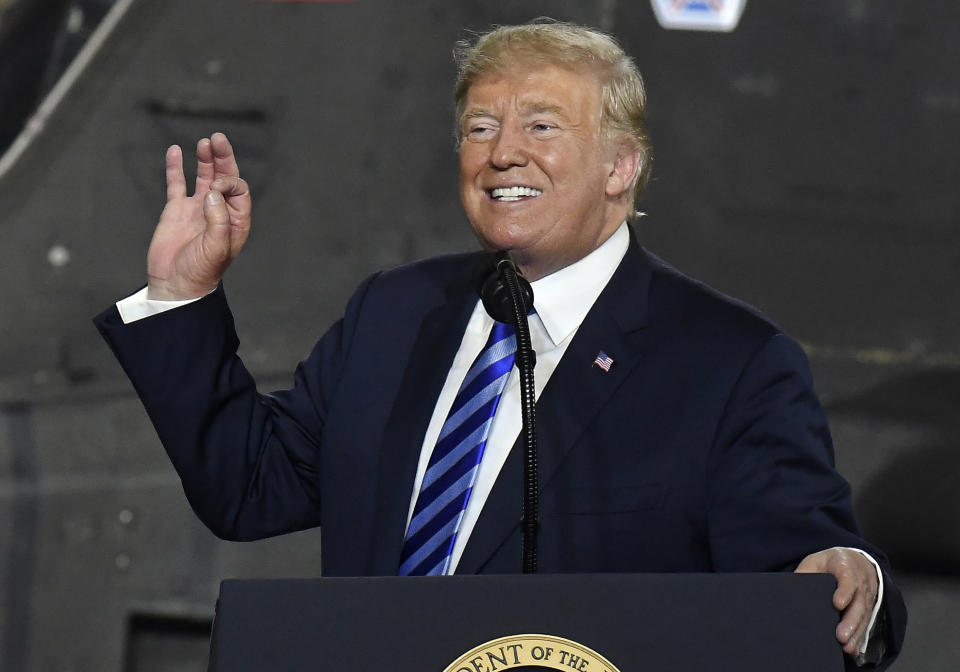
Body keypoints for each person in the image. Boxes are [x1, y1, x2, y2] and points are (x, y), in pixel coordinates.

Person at [95, 21, 905, 668]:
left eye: (541, 125)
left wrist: (849, 575)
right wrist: (182, 293)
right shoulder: (396, 310)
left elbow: (809, 565)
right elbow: (251, 487)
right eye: (480, 126)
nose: (502, 151)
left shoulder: (728, 362)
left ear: (623, 164)